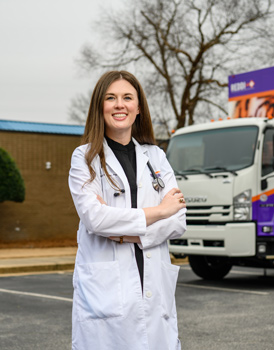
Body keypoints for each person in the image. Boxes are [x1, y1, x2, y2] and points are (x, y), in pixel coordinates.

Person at [68, 70, 186, 350]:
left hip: (154, 290)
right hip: (106, 296)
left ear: (138, 108)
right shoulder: (84, 158)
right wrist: (158, 212)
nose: (119, 105)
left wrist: (124, 233)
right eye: (111, 98)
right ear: (100, 106)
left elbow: (179, 219)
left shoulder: (155, 156)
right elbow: (95, 218)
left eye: (127, 98)